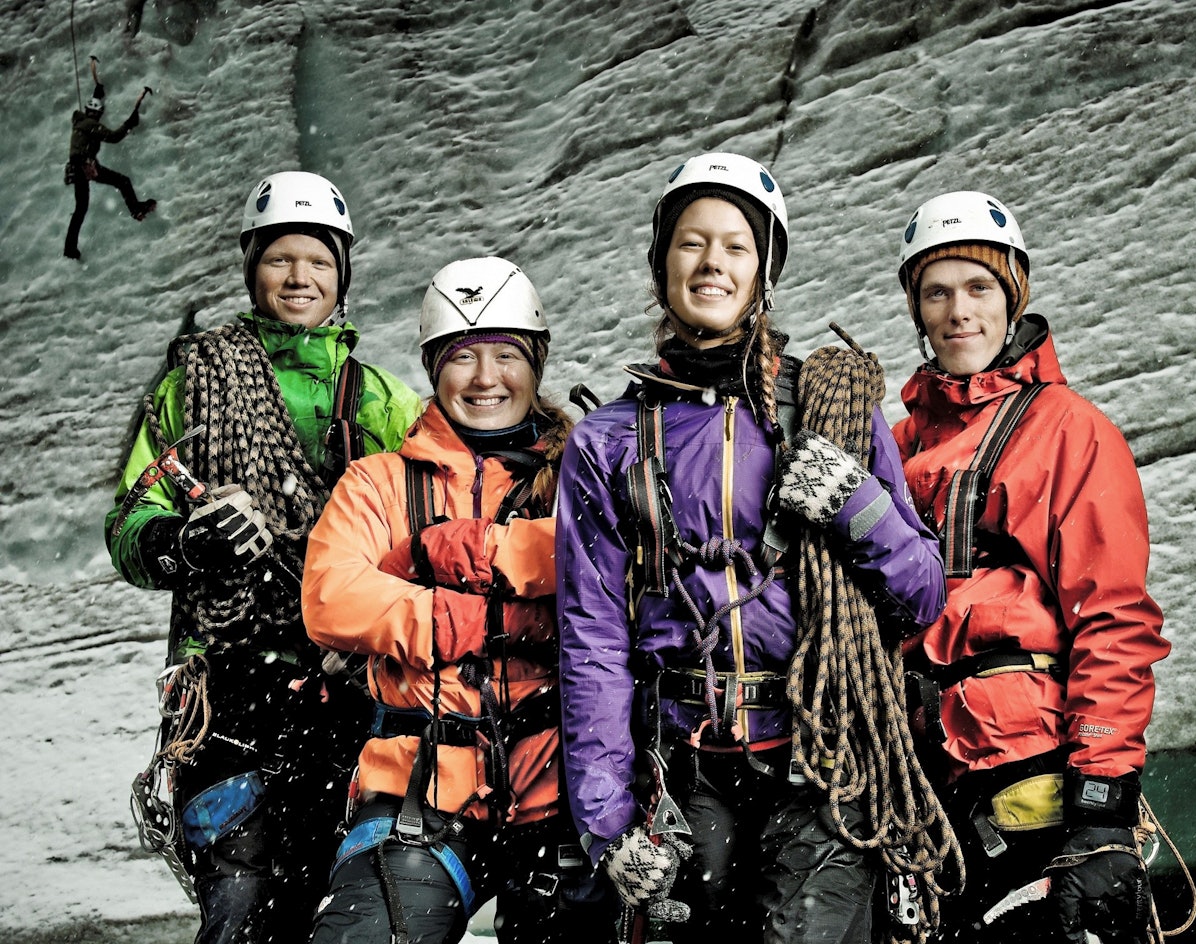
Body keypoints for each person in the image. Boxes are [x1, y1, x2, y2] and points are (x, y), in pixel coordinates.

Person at [555, 152, 947, 944]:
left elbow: (923, 594)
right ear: (662, 266)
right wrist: (607, 825)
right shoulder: (608, 441)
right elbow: (591, 640)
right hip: (684, 765)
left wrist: (855, 502)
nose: (713, 263)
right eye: (692, 243)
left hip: (824, 758)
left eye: (736, 246)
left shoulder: (831, 410)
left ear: (764, 272)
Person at [105, 170, 422, 944]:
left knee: (336, 901)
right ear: (253, 269)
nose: (299, 277)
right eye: (280, 258)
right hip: (227, 692)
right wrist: (187, 541)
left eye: (318, 261)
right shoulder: (191, 388)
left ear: (342, 276)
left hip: (348, 691)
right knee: (241, 897)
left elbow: (428, 537)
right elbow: (131, 524)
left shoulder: (384, 402)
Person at [302, 256, 617, 944]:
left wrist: (477, 551)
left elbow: (618, 561)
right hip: (415, 793)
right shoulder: (378, 482)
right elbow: (330, 596)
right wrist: (480, 618)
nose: (485, 378)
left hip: (563, 800)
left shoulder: (584, 471)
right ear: (433, 368)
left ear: (535, 364)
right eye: (462, 357)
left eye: (506, 356)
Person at [890, 190, 1171, 944]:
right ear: (916, 309)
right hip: (922, 783)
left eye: (979, 287)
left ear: (1013, 296)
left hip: (1032, 769)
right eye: (936, 293)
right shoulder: (894, 447)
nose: (959, 312)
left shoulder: (1067, 430)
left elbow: (1112, 617)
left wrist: (1102, 805)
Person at [64, 55, 156, 260]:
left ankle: (70, 249)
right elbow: (114, 137)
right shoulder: (90, 125)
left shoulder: (80, 122)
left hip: (78, 168)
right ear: (97, 114)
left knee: (81, 209)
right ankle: (136, 209)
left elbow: (93, 111)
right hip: (85, 166)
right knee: (122, 181)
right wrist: (129, 123)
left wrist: (98, 91)